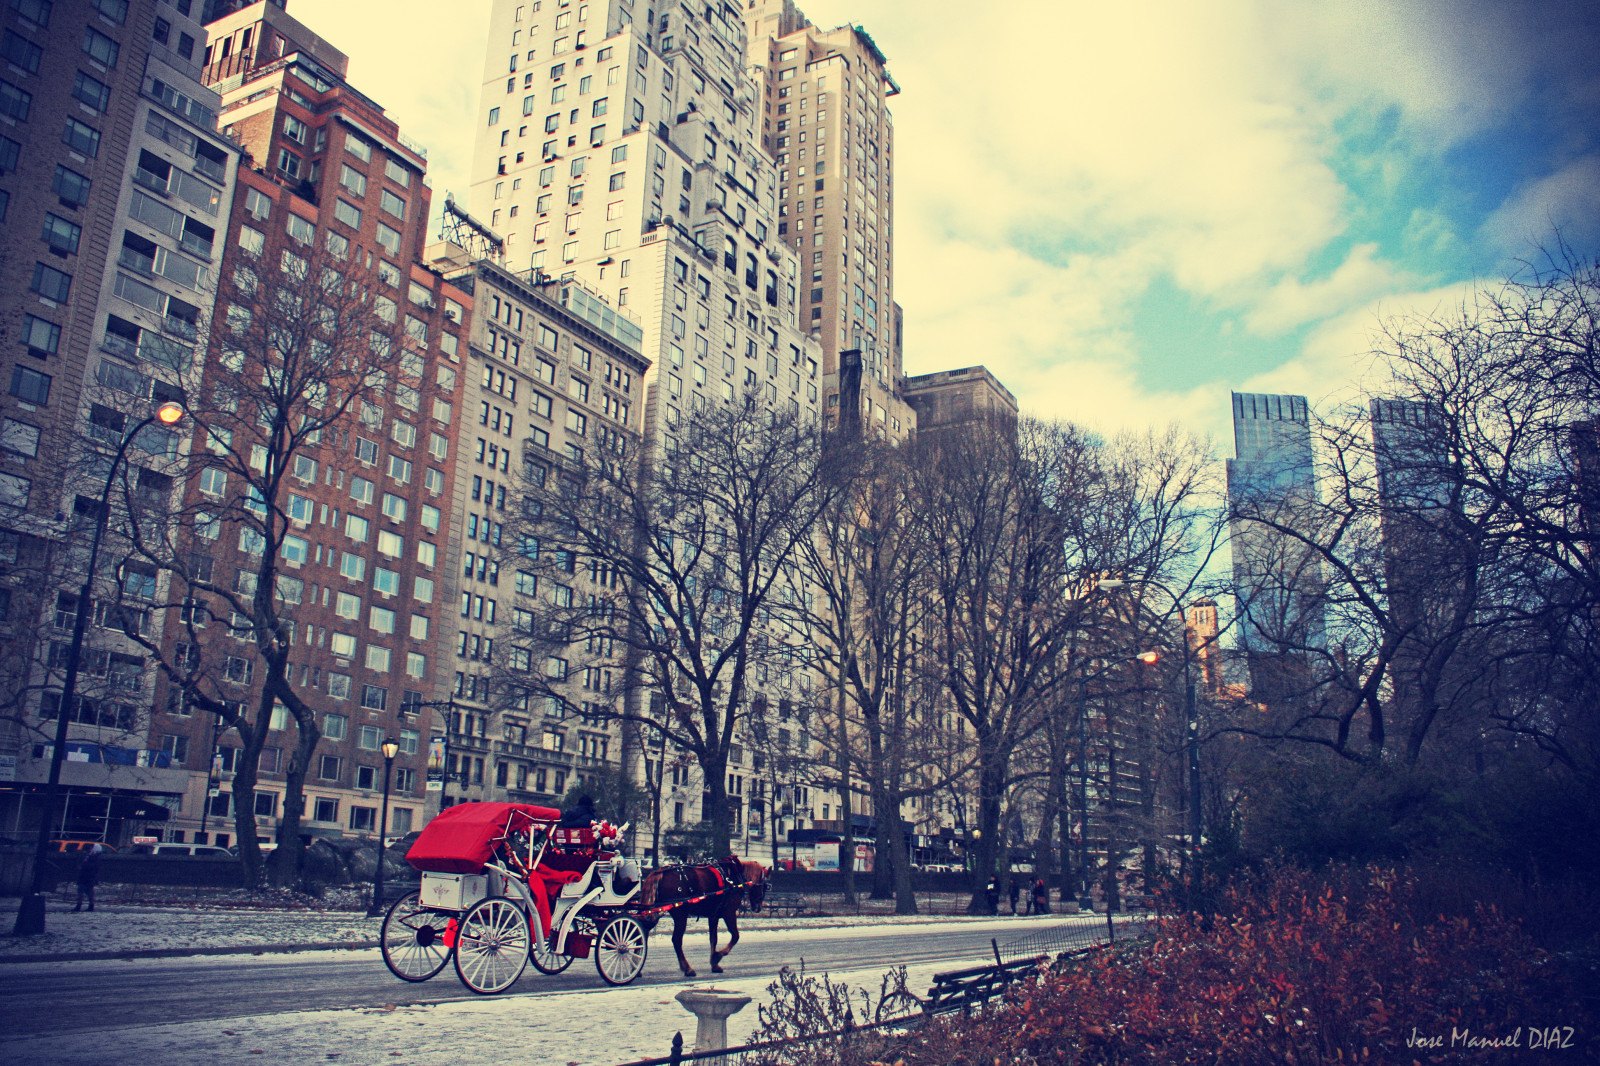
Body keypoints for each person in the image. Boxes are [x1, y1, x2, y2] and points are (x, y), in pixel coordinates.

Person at [72, 844, 102, 912]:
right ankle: (89, 906)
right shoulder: (93, 856)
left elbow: (92, 867)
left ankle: (80, 906)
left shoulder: (93, 857)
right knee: (88, 892)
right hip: (88, 877)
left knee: (83, 891)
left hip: (87, 877)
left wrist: (83, 866)